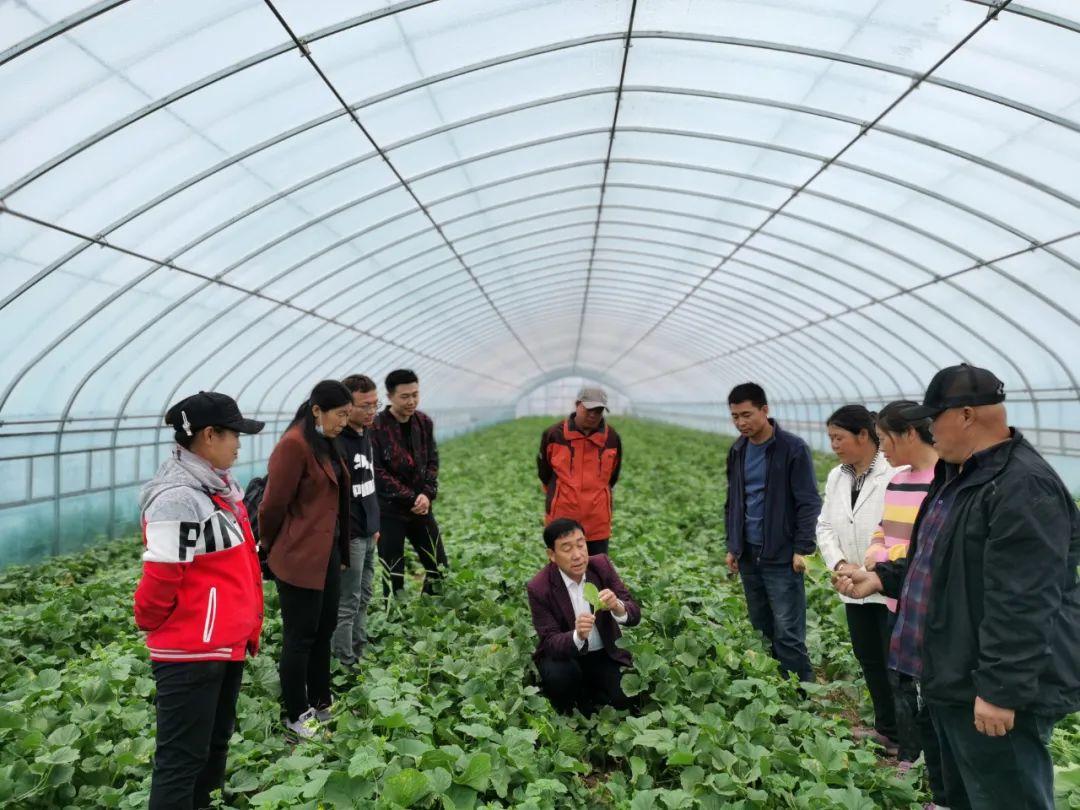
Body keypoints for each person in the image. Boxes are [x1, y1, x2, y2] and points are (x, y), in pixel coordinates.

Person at [835, 364, 1080, 810]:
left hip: (988, 691)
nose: (929, 430)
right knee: (963, 795)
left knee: (1006, 797)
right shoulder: (958, 477)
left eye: (936, 418)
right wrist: (883, 577)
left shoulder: (1024, 486)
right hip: (951, 674)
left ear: (966, 415)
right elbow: (937, 559)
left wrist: (999, 691)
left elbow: (1024, 600)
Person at [134, 392, 264, 810]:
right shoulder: (179, 497)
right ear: (210, 435)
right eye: (234, 435)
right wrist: (162, 626)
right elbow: (160, 579)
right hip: (191, 651)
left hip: (221, 643)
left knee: (211, 751)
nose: (240, 443)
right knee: (181, 760)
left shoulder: (217, 488)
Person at [866, 400, 949, 804]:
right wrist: (875, 553)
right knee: (899, 678)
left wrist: (884, 568)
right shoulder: (897, 481)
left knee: (929, 687)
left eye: (884, 440)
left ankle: (932, 765)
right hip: (891, 597)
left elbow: (929, 550)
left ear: (909, 434)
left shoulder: (944, 482)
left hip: (924, 604)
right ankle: (909, 752)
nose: (882, 450)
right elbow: (884, 528)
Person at [258, 380, 352, 739]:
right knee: (300, 635)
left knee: (324, 628)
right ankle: (297, 711)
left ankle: (322, 699)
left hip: (325, 553)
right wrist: (271, 545)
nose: (345, 421)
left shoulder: (325, 443)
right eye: (340, 414)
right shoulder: (293, 446)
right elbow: (271, 506)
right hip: (297, 557)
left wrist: (338, 551)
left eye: (347, 414)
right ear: (317, 410)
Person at [724, 383, 820, 683]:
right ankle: (773, 690)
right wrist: (733, 546)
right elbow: (734, 501)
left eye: (747, 414)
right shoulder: (738, 449)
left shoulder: (792, 449)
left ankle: (801, 694)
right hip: (749, 553)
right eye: (735, 416)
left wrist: (802, 548)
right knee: (761, 627)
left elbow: (808, 502)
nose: (741, 422)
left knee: (788, 631)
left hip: (781, 553)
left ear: (765, 410)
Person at [816, 405, 899, 752]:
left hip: (887, 586)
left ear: (864, 436)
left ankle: (909, 740)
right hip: (850, 586)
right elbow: (825, 525)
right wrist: (838, 564)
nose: (834, 444)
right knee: (869, 658)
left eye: (839, 437)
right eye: (831, 438)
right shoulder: (838, 476)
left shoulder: (895, 473)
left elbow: (897, 533)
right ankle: (887, 729)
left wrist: (868, 571)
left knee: (896, 666)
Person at [526, 518, 641, 716]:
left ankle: (589, 695)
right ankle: (572, 703)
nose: (578, 555)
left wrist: (618, 607)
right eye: (567, 548)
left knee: (624, 700)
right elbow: (550, 641)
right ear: (551, 555)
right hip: (565, 657)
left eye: (581, 545)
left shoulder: (601, 565)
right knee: (561, 678)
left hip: (603, 654)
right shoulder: (539, 587)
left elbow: (634, 614)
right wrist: (577, 635)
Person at [370, 368, 447, 596]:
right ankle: (395, 621)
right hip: (389, 512)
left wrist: (426, 494)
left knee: (438, 565)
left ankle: (430, 611)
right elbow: (377, 472)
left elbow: (432, 460)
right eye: (405, 396)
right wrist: (411, 497)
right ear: (390, 397)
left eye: (415, 394)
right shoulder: (376, 427)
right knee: (393, 572)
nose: (411, 401)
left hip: (421, 508)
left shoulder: (423, 422)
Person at [330, 374, 381, 668]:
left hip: (368, 530)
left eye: (375, 404)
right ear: (348, 406)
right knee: (347, 602)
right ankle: (344, 661)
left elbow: (368, 483)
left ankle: (359, 648)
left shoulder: (366, 435)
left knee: (364, 594)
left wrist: (375, 526)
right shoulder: (337, 442)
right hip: (349, 535)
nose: (372, 411)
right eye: (365, 405)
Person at [537, 386, 623, 555]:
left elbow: (613, 475)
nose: (593, 415)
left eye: (598, 410)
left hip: (597, 519)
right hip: (562, 516)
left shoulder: (612, 438)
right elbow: (544, 472)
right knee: (563, 570)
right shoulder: (554, 434)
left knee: (597, 569)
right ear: (577, 405)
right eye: (589, 409)